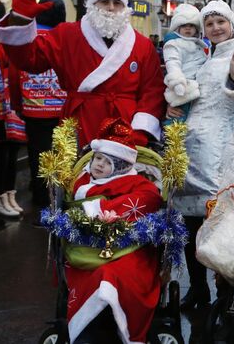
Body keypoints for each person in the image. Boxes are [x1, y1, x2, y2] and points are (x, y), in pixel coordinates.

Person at [0, 0, 165, 146]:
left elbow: (152, 92)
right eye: (104, 1)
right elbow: (30, 60)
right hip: (79, 125)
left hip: (125, 129)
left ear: (124, 8)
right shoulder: (67, 35)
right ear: (92, 4)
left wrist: (140, 131)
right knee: (73, 174)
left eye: (117, 3)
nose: (110, 7)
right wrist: (20, 20)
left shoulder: (143, 45)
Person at [171, 0, 234, 310]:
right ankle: (198, 289)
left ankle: (224, 293)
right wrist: (173, 102)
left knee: (219, 222)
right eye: (209, 24)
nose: (215, 28)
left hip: (221, 152)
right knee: (190, 222)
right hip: (191, 150)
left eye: (220, 22)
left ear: (231, 25)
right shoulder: (204, 58)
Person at [64, 118, 163, 344]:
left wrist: (102, 208)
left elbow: (151, 199)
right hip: (86, 247)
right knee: (95, 274)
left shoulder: (137, 184)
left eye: (107, 162)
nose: (98, 164)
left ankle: (115, 323)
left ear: (120, 166)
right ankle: (88, 327)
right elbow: (71, 210)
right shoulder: (81, 183)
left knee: (113, 275)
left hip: (129, 247)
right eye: (97, 158)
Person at [6, 0, 68, 213]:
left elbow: (14, 73)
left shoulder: (26, 40)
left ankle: (41, 197)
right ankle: (61, 197)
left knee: (38, 155)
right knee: (63, 154)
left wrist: (18, 105)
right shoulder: (64, 40)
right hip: (62, 110)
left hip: (33, 110)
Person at [0, 0, 22, 219]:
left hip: (7, 109)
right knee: (1, 154)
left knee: (9, 153)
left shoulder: (3, 45)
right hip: (1, 109)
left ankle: (6, 194)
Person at [162, 3, 207, 124]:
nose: (188, 28)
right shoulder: (173, 44)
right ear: (178, 27)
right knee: (177, 123)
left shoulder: (200, 46)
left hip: (197, 92)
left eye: (191, 25)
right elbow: (173, 64)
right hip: (182, 91)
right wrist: (178, 83)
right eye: (184, 25)